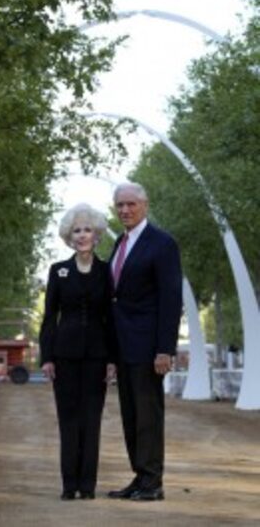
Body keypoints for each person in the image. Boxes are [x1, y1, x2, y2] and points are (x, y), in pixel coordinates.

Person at [107, 182, 182, 502]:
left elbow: (171, 298)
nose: (124, 210)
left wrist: (165, 348)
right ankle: (139, 477)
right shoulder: (119, 244)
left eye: (130, 204)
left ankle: (153, 482)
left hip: (149, 347)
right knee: (131, 416)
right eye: (119, 205)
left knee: (148, 416)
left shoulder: (162, 243)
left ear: (144, 206)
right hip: (123, 346)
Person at [40, 203, 116, 501]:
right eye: (76, 230)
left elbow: (111, 319)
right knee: (68, 419)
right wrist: (46, 357)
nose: (82, 235)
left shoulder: (107, 271)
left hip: (98, 356)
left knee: (91, 420)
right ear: (69, 237)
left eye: (87, 230)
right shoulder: (57, 271)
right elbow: (49, 317)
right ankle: (68, 485)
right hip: (64, 355)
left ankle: (88, 487)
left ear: (97, 235)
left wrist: (112, 360)